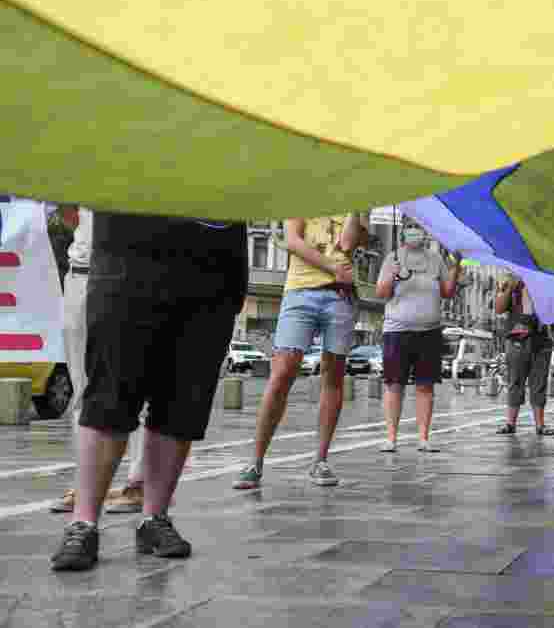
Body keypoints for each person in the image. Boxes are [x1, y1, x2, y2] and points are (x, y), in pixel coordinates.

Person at [50, 214, 247, 571]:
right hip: (129, 255)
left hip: (214, 263)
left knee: (182, 403)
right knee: (109, 396)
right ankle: (83, 523)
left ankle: (154, 518)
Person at [233, 214, 367, 490]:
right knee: (282, 372)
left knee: (333, 376)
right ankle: (255, 462)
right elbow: (292, 240)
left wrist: (357, 208)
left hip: (341, 297)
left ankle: (321, 460)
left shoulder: (355, 200)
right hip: (300, 292)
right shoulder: (304, 193)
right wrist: (332, 267)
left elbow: (347, 243)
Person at [49, 207, 144, 515]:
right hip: (80, 274)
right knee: (81, 389)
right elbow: (64, 209)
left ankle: (137, 484)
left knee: (134, 383)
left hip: (125, 275)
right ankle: (85, 485)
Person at [375, 224, 461, 452]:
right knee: (395, 385)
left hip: (430, 331)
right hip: (397, 331)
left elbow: (447, 292)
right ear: (403, 233)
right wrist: (391, 275)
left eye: (420, 229)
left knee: (426, 386)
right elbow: (382, 294)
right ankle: (391, 438)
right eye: (412, 228)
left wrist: (457, 267)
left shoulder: (436, 260)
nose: (417, 233)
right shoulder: (392, 258)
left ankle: (423, 437)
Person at [495, 271, 554, 436]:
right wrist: (508, 289)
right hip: (517, 339)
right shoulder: (511, 281)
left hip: (542, 339)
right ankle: (510, 423)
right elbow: (499, 308)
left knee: (539, 383)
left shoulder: (548, 282)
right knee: (515, 381)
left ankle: (540, 425)